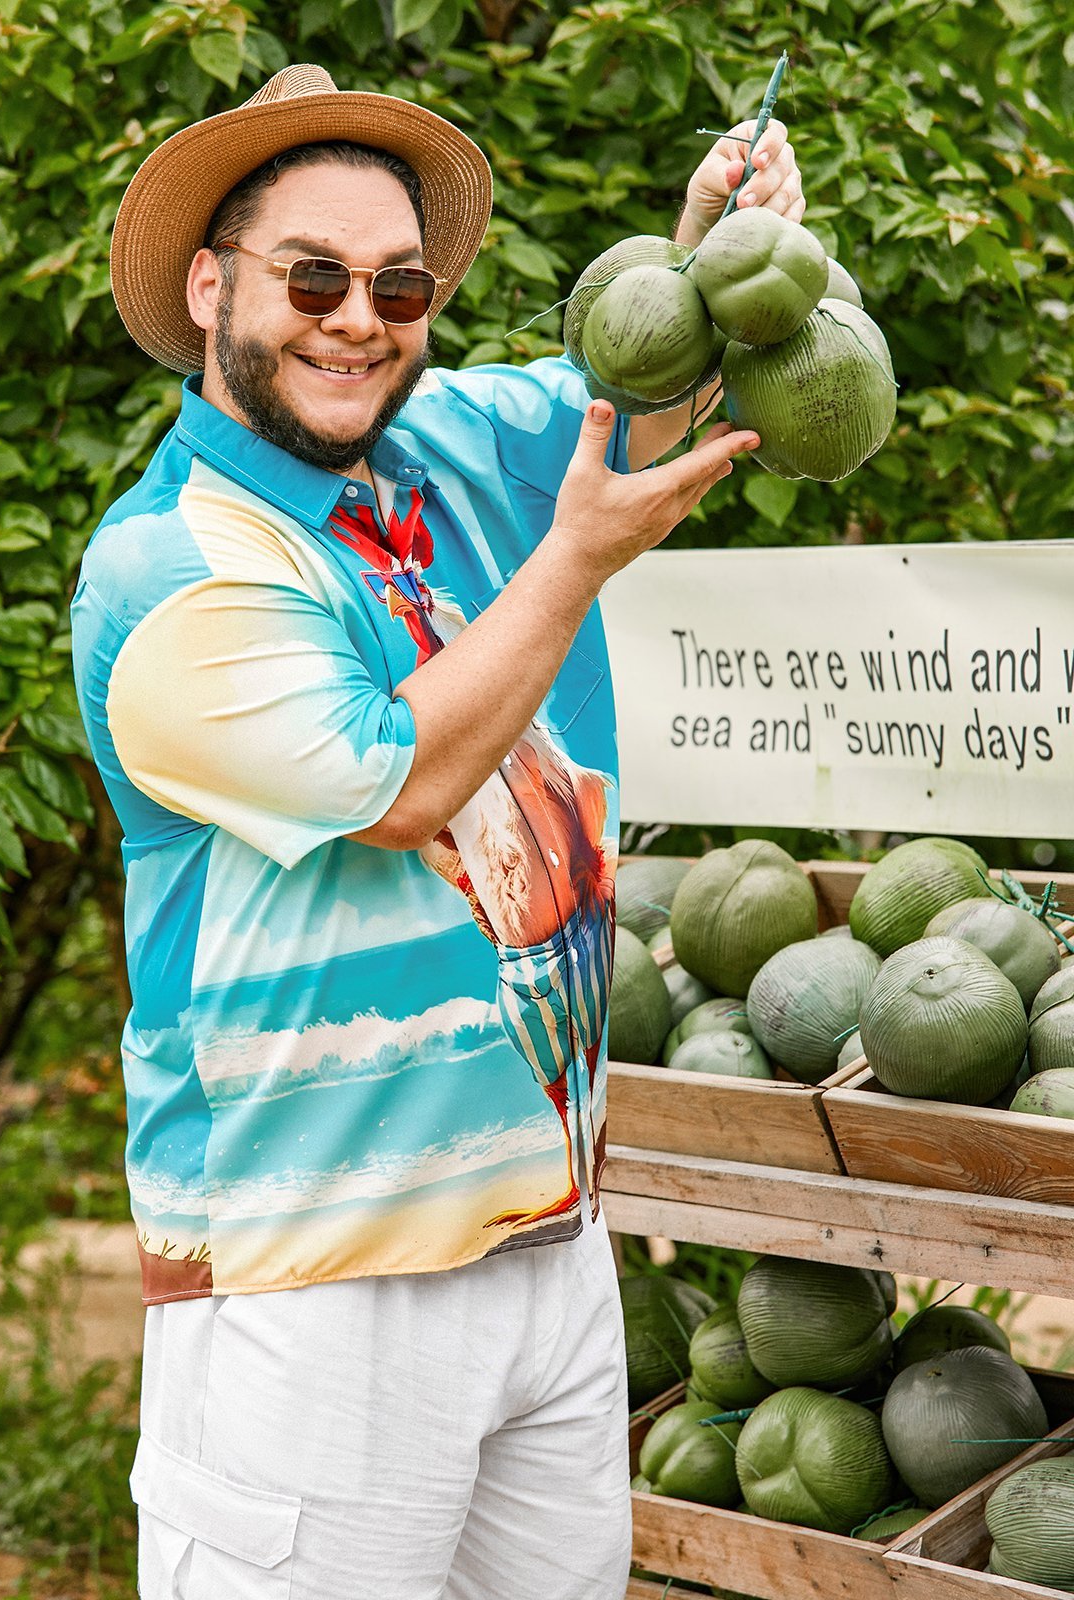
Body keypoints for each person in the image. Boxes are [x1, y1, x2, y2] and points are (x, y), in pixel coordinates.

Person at [72, 61, 803, 1600]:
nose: (359, 318)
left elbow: (641, 396)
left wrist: (714, 253)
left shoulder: (458, 441)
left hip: (552, 1252)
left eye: (397, 284)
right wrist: (575, 563)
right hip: (314, 1282)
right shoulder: (168, 567)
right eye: (313, 276)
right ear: (209, 287)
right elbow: (397, 784)